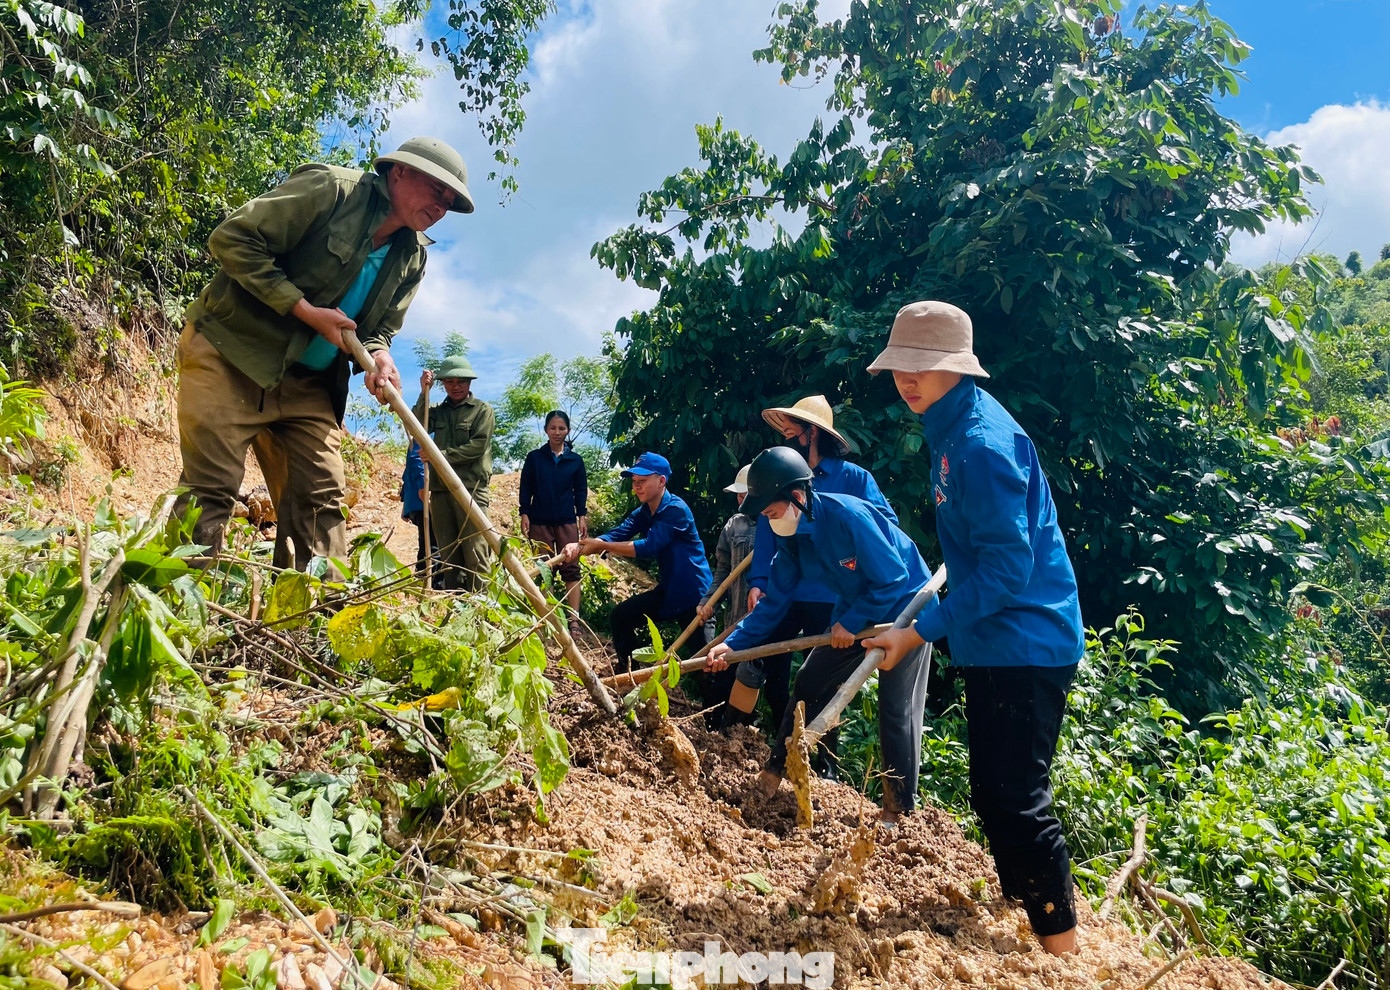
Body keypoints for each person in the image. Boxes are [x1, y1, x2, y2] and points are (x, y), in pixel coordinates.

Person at [862, 300, 1085, 956]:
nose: (909, 378)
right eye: (902, 364)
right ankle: (1026, 928)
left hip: (1027, 639)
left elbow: (1009, 570)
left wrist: (921, 631)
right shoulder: (948, 430)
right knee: (991, 792)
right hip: (995, 636)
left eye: (923, 366)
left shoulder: (980, 444)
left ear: (956, 368)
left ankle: (1062, 955)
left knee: (1016, 797)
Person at [176, 136, 473, 567]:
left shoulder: (413, 258)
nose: (440, 207)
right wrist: (304, 310)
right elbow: (233, 239)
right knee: (210, 490)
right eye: (435, 190)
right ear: (399, 171)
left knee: (322, 500)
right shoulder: (331, 190)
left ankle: (311, 622)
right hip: (232, 355)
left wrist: (379, 356)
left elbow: (378, 330)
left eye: (449, 201)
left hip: (310, 385)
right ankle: (176, 609)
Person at [705, 446, 932, 823]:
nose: (769, 520)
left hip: (906, 608)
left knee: (896, 707)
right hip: (857, 609)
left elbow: (894, 578)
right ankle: (774, 771)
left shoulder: (848, 516)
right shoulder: (791, 536)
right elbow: (775, 602)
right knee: (809, 679)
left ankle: (898, 811)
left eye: (772, 511)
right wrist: (732, 644)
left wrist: (853, 621)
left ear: (797, 496)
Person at [738, 395, 897, 768]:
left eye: (793, 434)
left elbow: (886, 534)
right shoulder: (778, 481)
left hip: (835, 599)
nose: (788, 441)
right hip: (788, 587)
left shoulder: (854, 480)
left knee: (825, 678)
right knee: (771, 660)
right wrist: (759, 579)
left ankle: (823, 765)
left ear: (812, 435)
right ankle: (773, 743)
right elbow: (769, 530)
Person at [563, 453, 712, 673]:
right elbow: (620, 532)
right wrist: (581, 546)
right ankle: (629, 674)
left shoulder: (675, 510)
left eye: (642, 481)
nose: (637, 487)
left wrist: (602, 546)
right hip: (670, 592)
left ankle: (724, 707)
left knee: (707, 662)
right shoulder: (645, 511)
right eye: (634, 482)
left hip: (696, 596)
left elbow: (648, 547)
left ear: (661, 481)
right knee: (621, 617)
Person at [415, 356, 495, 591]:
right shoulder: (437, 412)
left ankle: (482, 611)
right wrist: (424, 392)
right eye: (449, 382)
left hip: (471, 488)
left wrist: (440, 455)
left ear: (469, 383)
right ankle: (455, 609)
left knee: (476, 552)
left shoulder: (482, 411)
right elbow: (417, 425)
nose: (455, 386)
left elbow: (478, 446)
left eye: (460, 381)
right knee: (449, 556)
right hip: (441, 490)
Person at [695, 465, 756, 727]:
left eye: (746, 494)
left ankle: (744, 738)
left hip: (760, 622)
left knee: (750, 677)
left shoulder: (776, 524)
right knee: (715, 673)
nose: (740, 499)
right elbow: (722, 571)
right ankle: (713, 732)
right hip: (732, 621)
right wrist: (708, 602)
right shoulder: (734, 525)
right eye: (738, 495)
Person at [519, 410, 589, 632]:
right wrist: (524, 513)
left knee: (571, 568)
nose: (557, 432)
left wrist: (582, 516)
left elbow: (580, 491)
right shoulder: (535, 458)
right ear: (546, 430)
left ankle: (574, 620)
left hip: (567, 521)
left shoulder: (575, 461)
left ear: (567, 431)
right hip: (539, 521)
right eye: (553, 428)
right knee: (544, 569)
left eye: (562, 428)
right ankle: (548, 619)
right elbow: (526, 487)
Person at [399, 440, 431, 577]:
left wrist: (405, 498)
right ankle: (432, 583)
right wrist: (423, 487)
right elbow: (416, 461)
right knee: (432, 543)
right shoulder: (426, 434)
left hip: (415, 499)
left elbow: (408, 471)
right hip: (422, 498)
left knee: (426, 542)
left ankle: (421, 579)